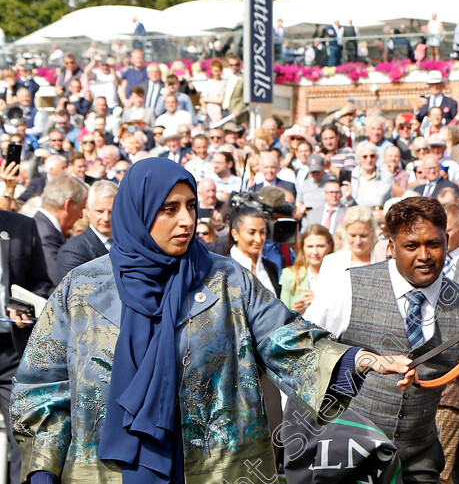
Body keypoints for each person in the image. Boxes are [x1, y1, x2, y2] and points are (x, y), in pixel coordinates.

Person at [11, 158, 414, 484]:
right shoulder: (82, 288)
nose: (186, 220)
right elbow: (43, 387)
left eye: (190, 206)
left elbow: (285, 337)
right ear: (138, 213)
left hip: (216, 468)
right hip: (105, 472)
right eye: (169, 209)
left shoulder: (227, 280)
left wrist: (356, 359)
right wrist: (44, 470)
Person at [305, 197, 459, 482]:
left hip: (420, 457)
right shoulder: (347, 287)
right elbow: (304, 351)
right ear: (391, 246)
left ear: (447, 240)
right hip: (351, 454)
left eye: (433, 244)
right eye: (411, 246)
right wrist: (301, 436)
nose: (424, 255)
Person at [0, 209, 52, 484]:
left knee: (25, 436)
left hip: (13, 351)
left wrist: (26, 308)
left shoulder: (22, 226)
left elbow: (41, 283)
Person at [33, 174, 88, 288]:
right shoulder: (45, 234)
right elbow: (59, 283)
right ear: (68, 205)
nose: (81, 216)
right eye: (81, 208)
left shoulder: (43, 227)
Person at [56, 180, 117, 278]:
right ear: (88, 210)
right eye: (99, 211)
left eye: (111, 211)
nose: (106, 218)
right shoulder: (73, 250)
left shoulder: (131, 243)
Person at [229, 206, 282, 297]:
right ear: (235, 234)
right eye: (251, 232)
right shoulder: (223, 268)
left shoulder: (271, 267)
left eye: (262, 232)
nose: (258, 239)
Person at [280, 224, 333, 313]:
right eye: (310, 247)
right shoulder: (289, 275)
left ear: (330, 247)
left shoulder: (339, 276)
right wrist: (294, 312)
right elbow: (281, 315)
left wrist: (318, 304)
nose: (315, 252)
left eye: (320, 246)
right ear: (303, 248)